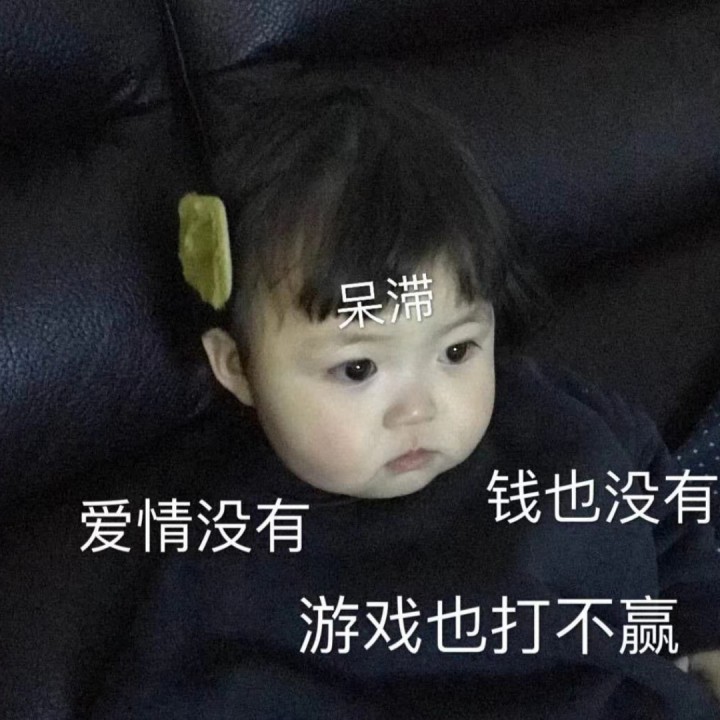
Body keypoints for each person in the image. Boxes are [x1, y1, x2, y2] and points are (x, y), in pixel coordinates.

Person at [92, 70, 720, 719]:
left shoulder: (554, 418)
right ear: (236, 368)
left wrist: (706, 627)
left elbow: (659, 500)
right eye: (358, 369)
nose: (420, 408)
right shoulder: (230, 568)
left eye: (457, 351)